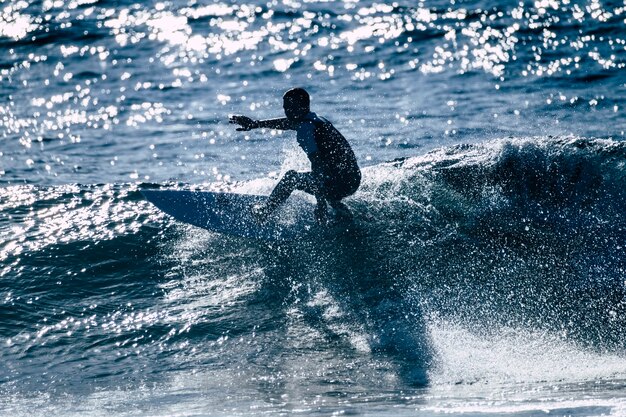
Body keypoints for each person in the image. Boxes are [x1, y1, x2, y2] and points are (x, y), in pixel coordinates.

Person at [229, 87, 361, 224]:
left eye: (290, 108)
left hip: (339, 182)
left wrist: (320, 203)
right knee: (328, 174)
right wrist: (255, 124)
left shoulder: (306, 130)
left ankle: (264, 212)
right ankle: (342, 214)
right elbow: (287, 123)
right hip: (353, 179)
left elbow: (317, 164)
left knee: (291, 178)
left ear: (302, 107)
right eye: (285, 108)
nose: (287, 112)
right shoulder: (316, 120)